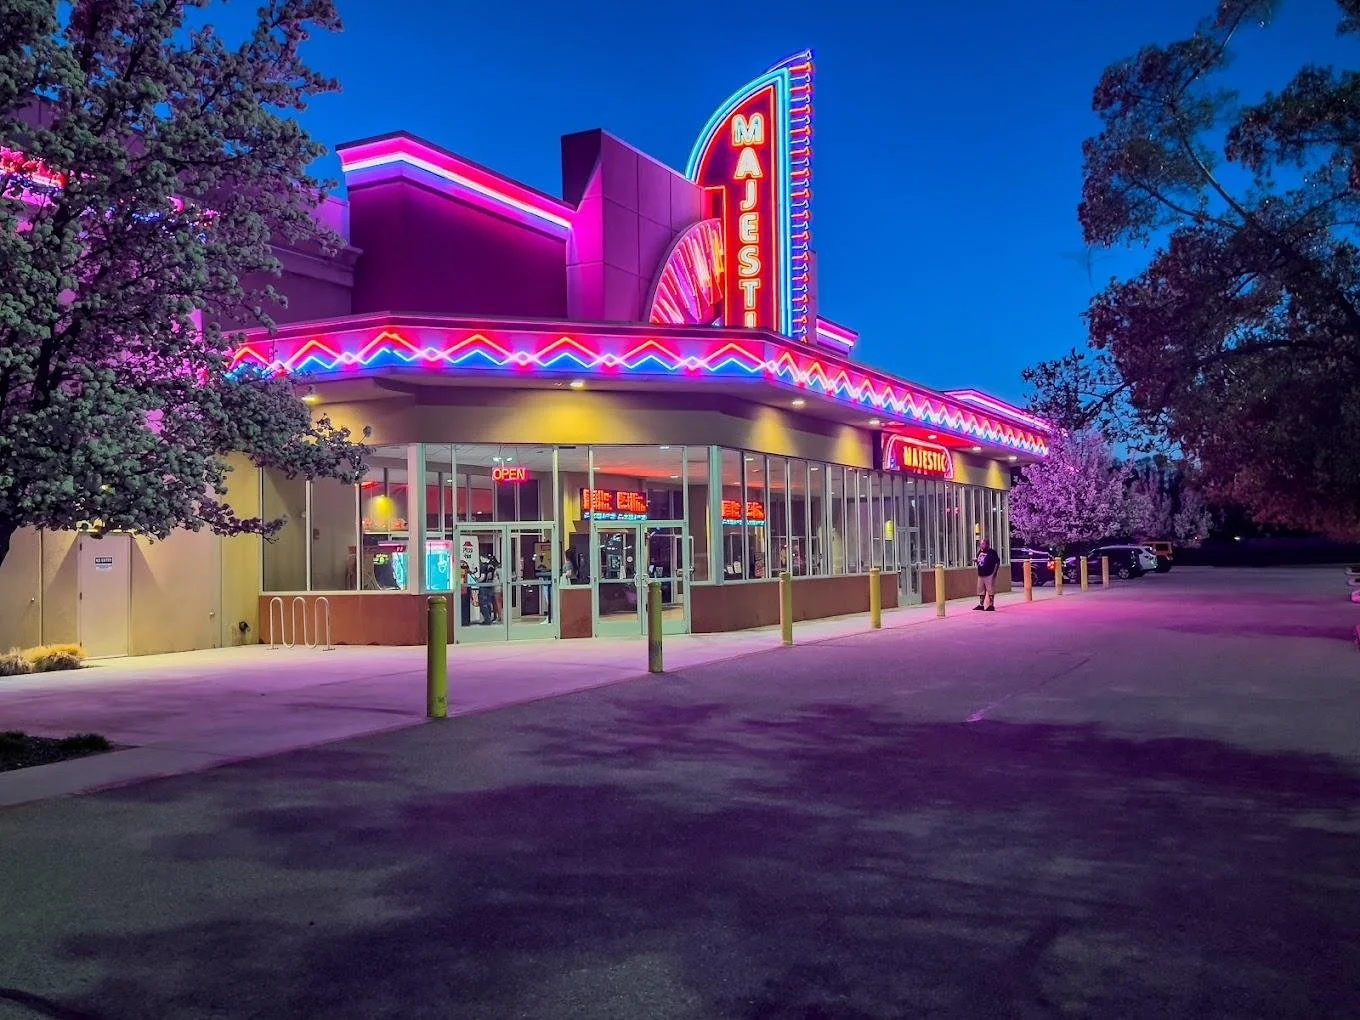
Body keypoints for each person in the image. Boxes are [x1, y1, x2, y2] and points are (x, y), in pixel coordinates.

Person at [974, 538, 1000, 612]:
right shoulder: (979, 552)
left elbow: (997, 562)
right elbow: (979, 562)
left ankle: (991, 605)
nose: (981, 546)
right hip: (981, 574)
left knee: (990, 590)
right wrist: (976, 561)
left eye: (983, 544)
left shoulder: (992, 552)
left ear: (987, 544)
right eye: (981, 544)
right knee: (980, 590)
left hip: (989, 574)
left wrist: (995, 572)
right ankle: (981, 605)